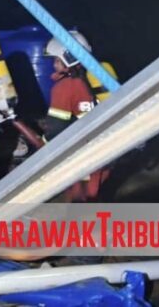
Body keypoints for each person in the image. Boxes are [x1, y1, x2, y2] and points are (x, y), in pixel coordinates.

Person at [43, 30, 115, 201]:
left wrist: (43, 145)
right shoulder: (97, 76)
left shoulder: (64, 87)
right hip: (108, 147)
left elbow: (55, 129)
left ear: (69, 58)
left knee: (80, 201)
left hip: (83, 156)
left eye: (57, 60)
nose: (54, 65)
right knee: (97, 195)